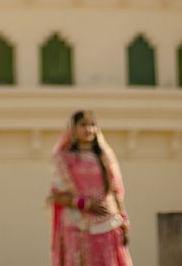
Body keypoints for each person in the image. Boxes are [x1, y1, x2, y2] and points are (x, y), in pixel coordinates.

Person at [48, 110, 132, 266]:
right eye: (83, 125)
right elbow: (56, 196)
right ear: (72, 128)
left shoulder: (104, 156)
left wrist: (123, 220)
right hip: (76, 224)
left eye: (92, 125)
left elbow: (114, 191)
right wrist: (86, 204)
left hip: (107, 222)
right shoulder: (63, 158)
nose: (89, 129)